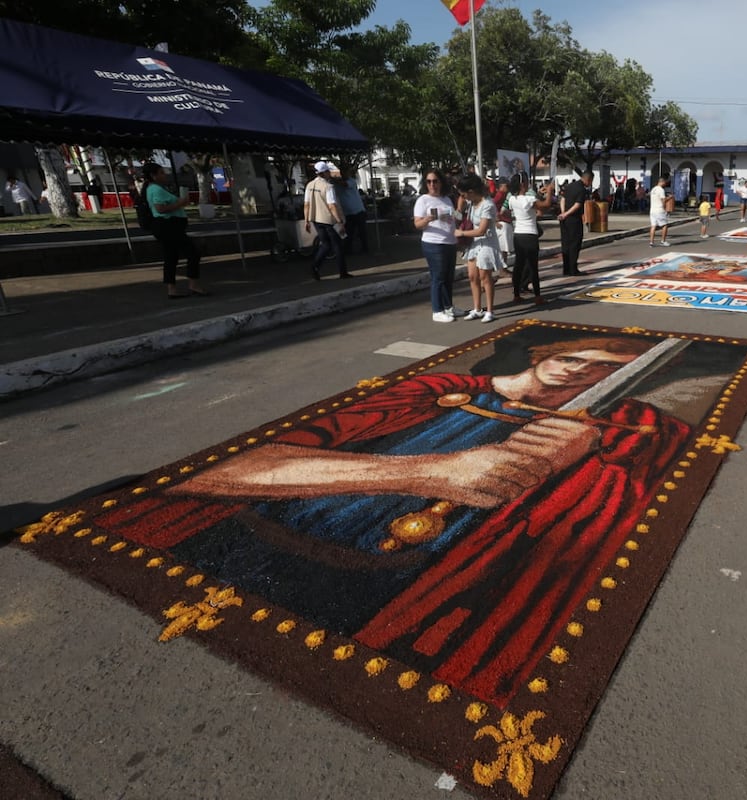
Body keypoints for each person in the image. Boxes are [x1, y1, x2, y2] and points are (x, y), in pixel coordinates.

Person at [155, 334, 692, 705]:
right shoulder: (435, 392)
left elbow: (611, 507)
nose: (580, 368)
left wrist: (592, 455)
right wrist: (432, 471)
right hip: (249, 537)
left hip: (404, 587)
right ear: (548, 351)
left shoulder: (611, 433)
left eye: (603, 367)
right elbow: (219, 473)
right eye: (576, 355)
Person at [143, 161, 207, 299]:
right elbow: (160, 208)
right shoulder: (156, 189)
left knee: (171, 257)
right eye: (161, 173)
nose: (164, 175)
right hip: (168, 226)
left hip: (168, 227)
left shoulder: (155, 188)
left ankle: (172, 288)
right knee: (192, 252)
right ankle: (193, 284)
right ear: (153, 176)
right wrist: (180, 203)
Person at [413, 169, 462, 323]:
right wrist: (427, 219)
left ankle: (448, 306)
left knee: (448, 276)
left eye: (435, 181)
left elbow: (456, 217)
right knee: (438, 277)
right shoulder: (423, 200)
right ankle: (437, 310)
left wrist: (459, 211)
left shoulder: (446, 199)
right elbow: (417, 224)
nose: (432, 184)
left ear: (441, 182)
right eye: (429, 181)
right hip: (433, 243)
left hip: (449, 242)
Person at [455, 173, 502, 323]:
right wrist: (459, 208)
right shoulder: (471, 204)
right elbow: (461, 216)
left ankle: (490, 310)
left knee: (485, 277)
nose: (463, 197)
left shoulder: (487, 205)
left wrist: (461, 233)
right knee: (472, 276)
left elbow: (481, 230)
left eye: (463, 194)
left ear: (471, 191)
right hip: (474, 243)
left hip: (486, 242)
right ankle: (477, 309)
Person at [506, 172, 553, 304]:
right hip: (530, 235)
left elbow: (531, 206)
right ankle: (538, 296)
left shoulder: (512, 199)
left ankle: (516, 294)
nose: (528, 185)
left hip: (518, 235)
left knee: (518, 265)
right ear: (522, 184)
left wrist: (539, 193)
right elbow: (546, 205)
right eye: (526, 182)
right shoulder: (527, 200)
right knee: (533, 266)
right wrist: (550, 191)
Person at [303, 161, 352, 281]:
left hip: (316, 219)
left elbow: (306, 204)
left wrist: (306, 221)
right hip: (329, 220)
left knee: (325, 245)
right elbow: (332, 206)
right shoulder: (328, 187)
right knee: (338, 246)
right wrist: (339, 221)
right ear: (324, 173)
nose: (329, 173)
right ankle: (343, 272)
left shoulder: (309, 185)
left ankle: (315, 266)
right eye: (328, 171)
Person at [557, 170, 592, 276]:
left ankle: (566, 269)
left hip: (564, 220)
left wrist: (563, 213)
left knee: (565, 244)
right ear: (588, 179)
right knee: (574, 244)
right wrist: (567, 214)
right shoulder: (581, 190)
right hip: (574, 219)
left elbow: (562, 199)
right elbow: (577, 205)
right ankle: (573, 269)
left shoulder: (569, 186)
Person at [334, 172, 369, 255]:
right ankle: (348, 249)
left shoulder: (352, 181)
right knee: (349, 232)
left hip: (358, 211)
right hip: (348, 213)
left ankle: (365, 248)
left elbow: (345, 184)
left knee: (361, 232)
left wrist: (335, 180)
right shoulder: (336, 185)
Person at [648, 174, 672, 247]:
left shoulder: (653, 189)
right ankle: (663, 241)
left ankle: (651, 242)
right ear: (662, 182)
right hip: (659, 210)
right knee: (664, 225)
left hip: (652, 210)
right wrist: (670, 198)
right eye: (665, 182)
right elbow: (663, 201)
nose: (665, 184)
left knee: (653, 226)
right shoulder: (661, 190)